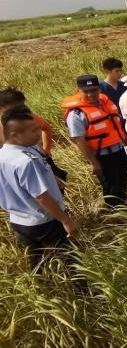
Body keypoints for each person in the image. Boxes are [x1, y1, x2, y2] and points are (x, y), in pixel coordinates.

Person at [0, 106, 77, 267]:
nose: (38, 133)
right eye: (34, 131)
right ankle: (83, 290)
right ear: (15, 135)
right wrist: (65, 220)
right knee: (69, 259)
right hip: (44, 220)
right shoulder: (25, 161)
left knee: (36, 260)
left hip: (19, 220)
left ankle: (44, 286)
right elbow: (41, 197)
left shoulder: (4, 155)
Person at [61, 75, 127, 208]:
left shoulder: (104, 102)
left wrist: (125, 139)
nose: (91, 94)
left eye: (94, 90)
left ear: (99, 89)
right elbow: (79, 140)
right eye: (86, 91)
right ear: (78, 90)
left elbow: (115, 123)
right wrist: (94, 163)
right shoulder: (76, 114)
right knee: (110, 187)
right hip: (102, 156)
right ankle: (116, 214)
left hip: (118, 150)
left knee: (122, 180)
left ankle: (125, 206)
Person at [0, 88, 68, 191]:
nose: (21, 110)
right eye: (15, 108)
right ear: (2, 108)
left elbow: (46, 127)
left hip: (40, 161)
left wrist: (46, 149)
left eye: (22, 105)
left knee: (57, 190)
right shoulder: (2, 128)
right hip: (20, 170)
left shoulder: (29, 117)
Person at [99, 58, 127, 122]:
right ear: (107, 71)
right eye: (117, 71)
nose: (120, 73)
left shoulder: (124, 85)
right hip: (112, 121)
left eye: (121, 70)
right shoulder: (100, 88)